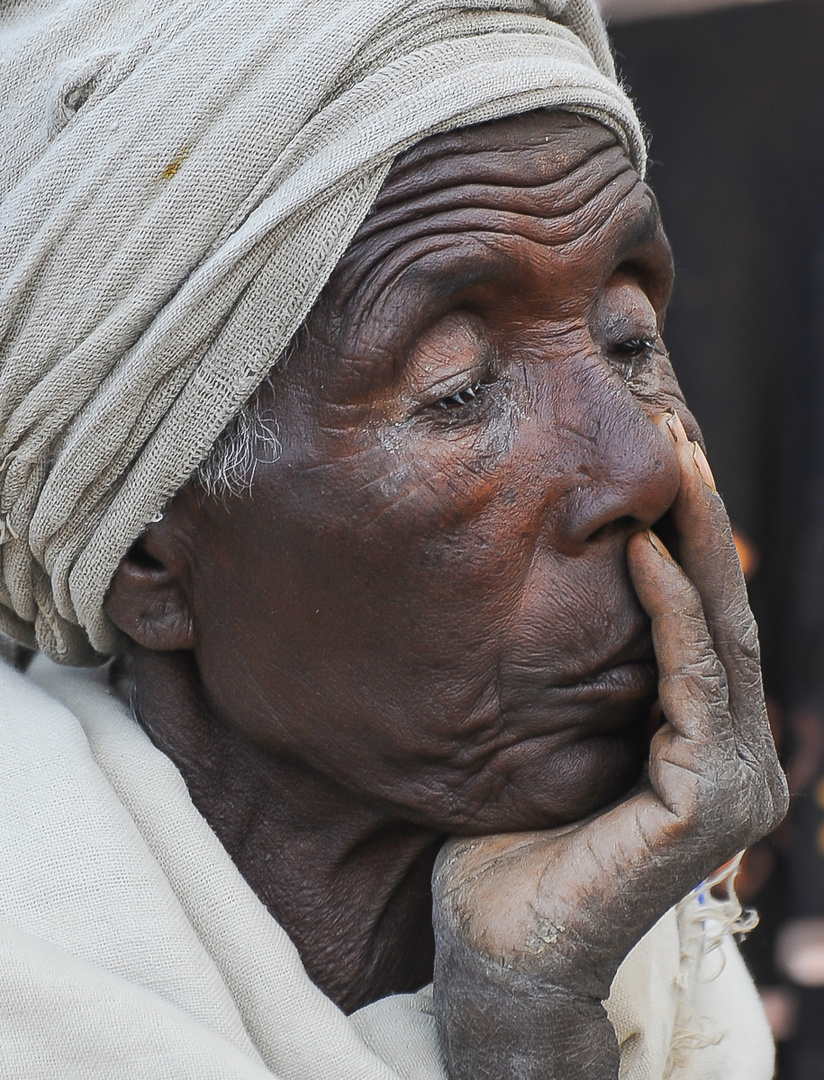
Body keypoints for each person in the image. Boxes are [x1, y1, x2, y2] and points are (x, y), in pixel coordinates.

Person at [0, 1, 787, 1077]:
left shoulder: (661, 964)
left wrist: (530, 1014)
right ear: (149, 556)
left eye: (627, 339)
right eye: (459, 391)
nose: (643, 467)